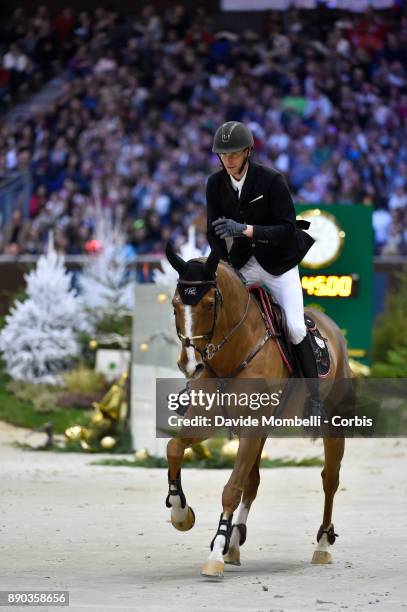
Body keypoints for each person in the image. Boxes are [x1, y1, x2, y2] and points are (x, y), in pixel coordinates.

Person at [206, 120, 323, 415]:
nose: (228, 159)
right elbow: (213, 232)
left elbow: (287, 229)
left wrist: (245, 230)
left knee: (295, 326)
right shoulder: (215, 184)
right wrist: (224, 266)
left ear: (247, 151)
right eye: (223, 154)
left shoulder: (271, 180)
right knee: (218, 316)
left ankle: (314, 398)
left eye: (233, 153)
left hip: (279, 265)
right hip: (243, 263)